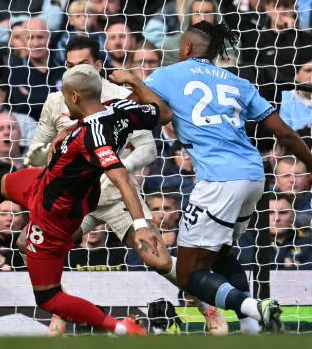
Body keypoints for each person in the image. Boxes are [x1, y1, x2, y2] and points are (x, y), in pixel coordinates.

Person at [0, 64, 174, 336]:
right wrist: (135, 82)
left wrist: (141, 225)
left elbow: (122, 178)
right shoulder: (119, 109)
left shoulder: (96, 137)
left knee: (48, 297)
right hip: (48, 183)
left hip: (52, 213)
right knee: (5, 182)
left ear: (75, 97)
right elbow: (163, 113)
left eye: (64, 95)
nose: (63, 100)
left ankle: (119, 327)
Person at [131, 20, 312, 334]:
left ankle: (256, 307)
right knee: (221, 253)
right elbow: (285, 134)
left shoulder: (167, 74)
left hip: (218, 181)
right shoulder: (237, 82)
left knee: (187, 275)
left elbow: (154, 110)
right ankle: (252, 328)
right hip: (253, 177)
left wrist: (132, 80)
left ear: (185, 48)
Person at [26, 36, 227, 335]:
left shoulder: (122, 97)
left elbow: (147, 150)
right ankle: (60, 308)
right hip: (75, 201)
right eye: (68, 67)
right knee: (26, 244)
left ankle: (206, 306)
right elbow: (37, 150)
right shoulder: (57, 100)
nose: (72, 74)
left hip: (116, 194)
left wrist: (112, 171)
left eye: (80, 66)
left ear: (97, 65)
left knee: (156, 258)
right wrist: (46, 154)